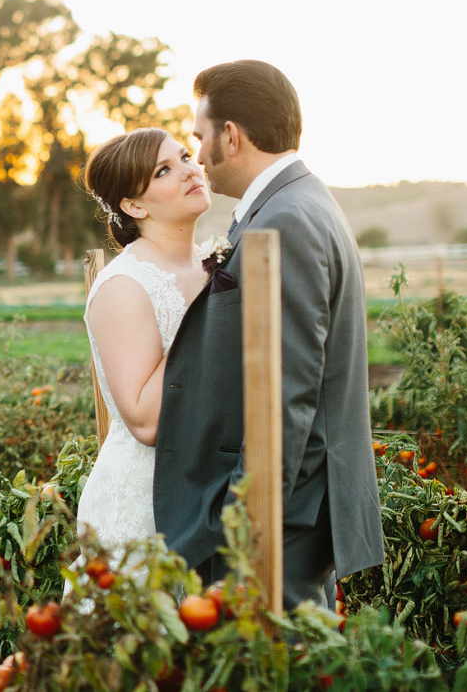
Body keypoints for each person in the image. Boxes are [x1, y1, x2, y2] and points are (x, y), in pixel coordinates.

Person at [153, 60, 384, 610]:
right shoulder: (295, 203)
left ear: (230, 136)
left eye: (199, 137)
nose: (199, 155)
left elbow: (287, 391)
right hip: (293, 505)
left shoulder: (287, 219)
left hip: (284, 513)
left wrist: (246, 515)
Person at [75, 127, 211, 549]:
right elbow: (146, 420)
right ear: (133, 205)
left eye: (186, 157)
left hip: (210, 497)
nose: (190, 171)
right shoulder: (125, 285)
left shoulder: (215, 264)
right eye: (164, 170)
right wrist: (205, 314)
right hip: (144, 508)